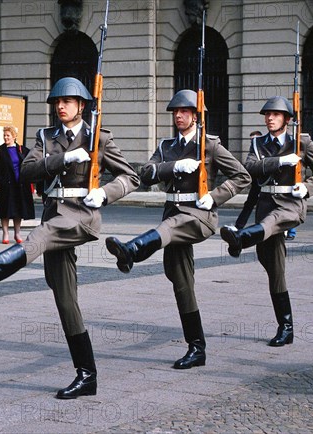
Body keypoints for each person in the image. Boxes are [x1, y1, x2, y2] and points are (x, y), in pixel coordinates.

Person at [0, 77, 139, 399]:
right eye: (57, 102)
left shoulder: (98, 137)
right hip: (55, 212)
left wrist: (106, 194)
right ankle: (87, 375)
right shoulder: (45, 137)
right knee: (65, 299)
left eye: (67, 101)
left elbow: (130, 176)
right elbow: (25, 171)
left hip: (82, 214)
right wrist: (63, 159)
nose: (60, 106)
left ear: (81, 105)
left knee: (41, 235)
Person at [105, 89, 251, 369]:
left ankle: (132, 251)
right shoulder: (166, 146)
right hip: (173, 213)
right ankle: (197, 348)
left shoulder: (210, 145)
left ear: (196, 116)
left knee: (171, 226)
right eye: (176, 112)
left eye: (185, 111)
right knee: (181, 282)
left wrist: (217, 196)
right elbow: (145, 174)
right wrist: (173, 166)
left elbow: (242, 176)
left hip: (199, 216)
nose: (179, 116)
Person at [220, 96, 313, 346]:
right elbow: (250, 168)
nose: (270, 118)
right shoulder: (258, 143)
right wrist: (280, 161)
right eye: (267, 114)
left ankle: (241, 238)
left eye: (276, 114)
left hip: (291, 205)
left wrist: (307, 187)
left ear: (287, 120)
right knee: (274, 270)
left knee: (273, 222)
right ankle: (287, 328)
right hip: (266, 205)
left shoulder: (301, 141)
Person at [0, 125, 35, 244]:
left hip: (20, 185)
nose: (6, 138)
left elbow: (29, 166)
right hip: (6, 185)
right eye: (4, 135)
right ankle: (5, 233)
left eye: (8, 135)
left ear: (14, 136)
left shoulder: (23, 150)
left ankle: (17, 233)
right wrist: (0, 182)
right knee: (4, 210)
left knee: (18, 210)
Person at [234, 130, 263, 229]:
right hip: (256, 184)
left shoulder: (265, 148)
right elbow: (248, 166)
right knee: (249, 204)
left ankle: (289, 231)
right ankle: (239, 226)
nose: (252, 142)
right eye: (251, 140)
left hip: (267, 183)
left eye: (254, 139)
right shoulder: (252, 152)